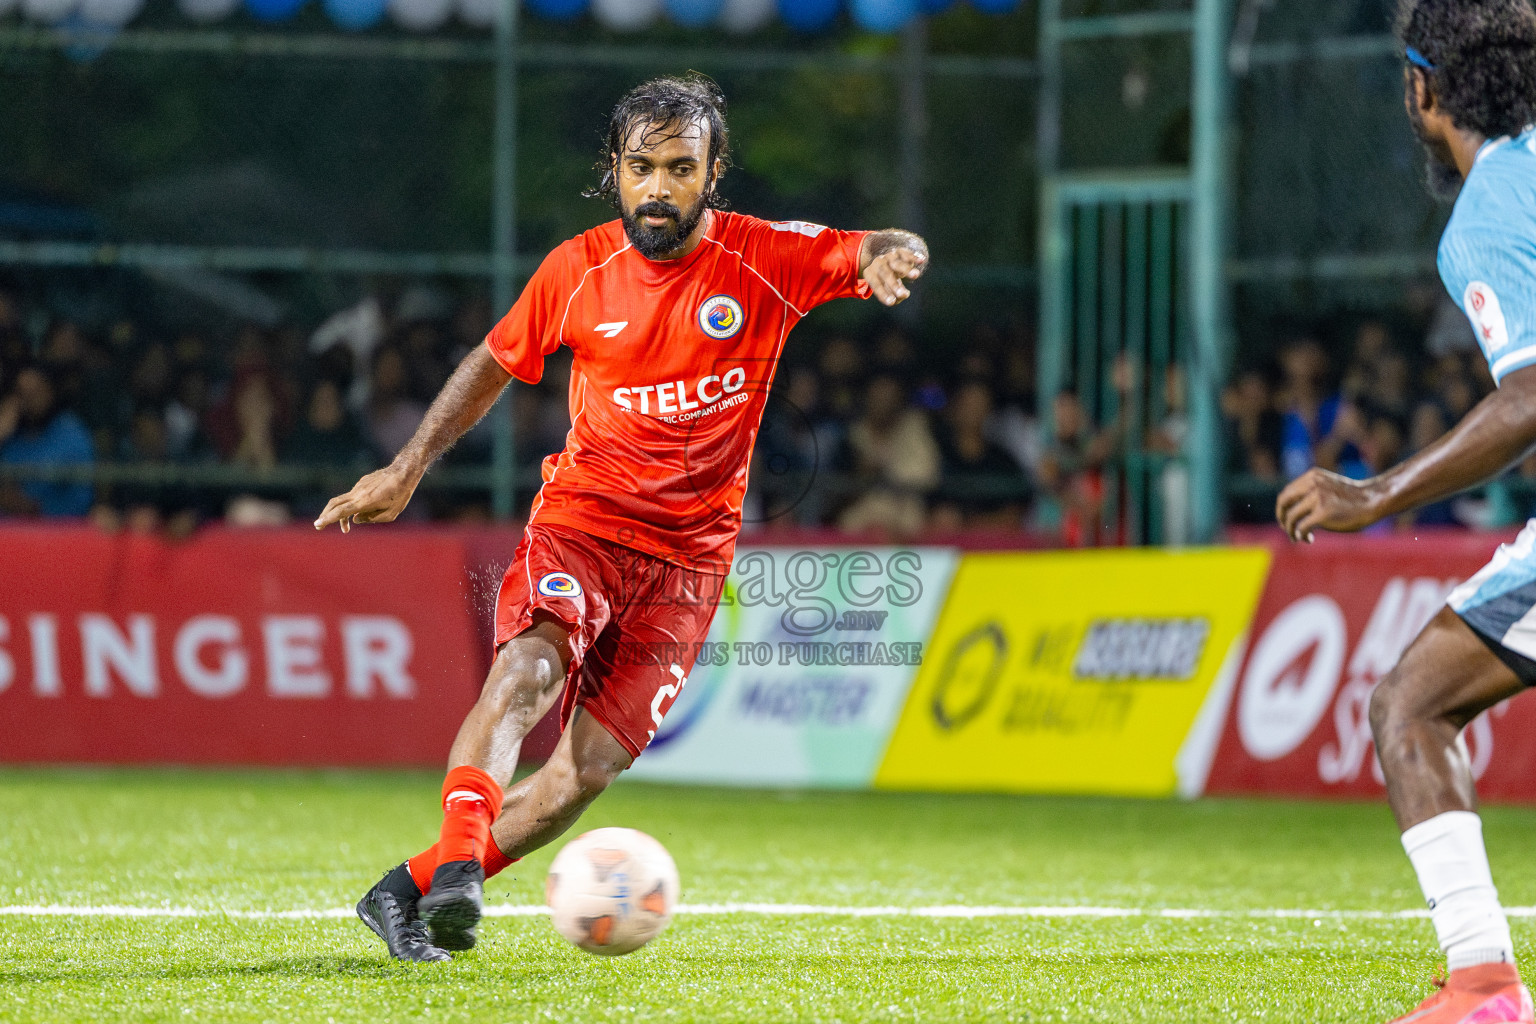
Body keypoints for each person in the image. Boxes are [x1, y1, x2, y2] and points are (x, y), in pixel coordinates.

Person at [315, 75, 927, 963]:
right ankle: (457, 871)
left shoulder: (764, 259)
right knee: (529, 667)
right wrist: (409, 466)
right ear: (616, 169)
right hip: (584, 522)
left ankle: (404, 889)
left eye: (682, 167)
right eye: (642, 166)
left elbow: (876, 240)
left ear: (713, 173)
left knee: (583, 776)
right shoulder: (578, 269)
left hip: (687, 567)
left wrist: (888, 253)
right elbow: (493, 362)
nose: (659, 188)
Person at [1276, 3, 1536, 1020]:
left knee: (1408, 706)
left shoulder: (1490, 212)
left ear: (1424, 87)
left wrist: (1372, 493)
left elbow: (1527, 396)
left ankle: (1481, 985)